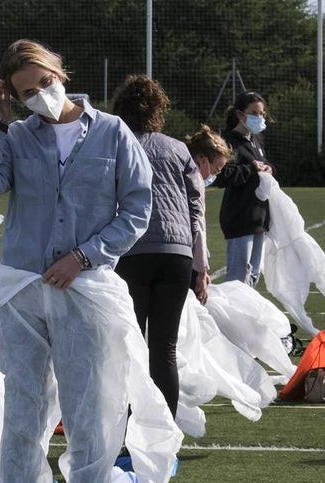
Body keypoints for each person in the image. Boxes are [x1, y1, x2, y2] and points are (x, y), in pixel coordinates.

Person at [0, 40, 152, 483]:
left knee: (90, 414)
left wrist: (85, 255)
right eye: (25, 92)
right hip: (23, 291)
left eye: (43, 82)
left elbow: (137, 209)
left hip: (86, 290)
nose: (39, 96)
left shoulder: (114, 132)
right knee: (21, 418)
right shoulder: (18, 133)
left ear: (59, 71)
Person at [111, 74, 204, 418]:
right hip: (176, 253)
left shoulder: (115, 144)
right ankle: (166, 431)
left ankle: (130, 425)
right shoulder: (178, 148)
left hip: (131, 251)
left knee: (129, 347)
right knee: (164, 348)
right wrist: (198, 262)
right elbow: (196, 206)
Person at [215, 91, 273, 287]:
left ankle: (246, 316)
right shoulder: (228, 141)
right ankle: (228, 317)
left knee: (253, 277)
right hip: (240, 217)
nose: (260, 118)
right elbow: (222, 175)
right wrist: (251, 169)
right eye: (254, 113)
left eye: (262, 114)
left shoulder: (255, 140)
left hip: (259, 217)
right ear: (240, 115)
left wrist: (269, 169)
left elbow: (264, 166)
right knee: (238, 278)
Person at [185, 124, 232, 294]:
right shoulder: (195, 184)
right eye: (216, 170)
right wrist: (202, 270)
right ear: (203, 161)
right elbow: (198, 227)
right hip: (185, 258)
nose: (215, 175)